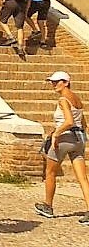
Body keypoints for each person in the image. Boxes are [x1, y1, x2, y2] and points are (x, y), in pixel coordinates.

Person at [34, 71, 89, 226]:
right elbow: (82, 123)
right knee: (83, 178)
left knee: (50, 172)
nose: (53, 84)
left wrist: (56, 135)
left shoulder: (63, 100)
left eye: (57, 81)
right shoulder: (77, 100)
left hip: (64, 139)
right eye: (52, 82)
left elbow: (69, 121)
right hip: (78, 140)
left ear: (65, 82)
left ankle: (48, 206)